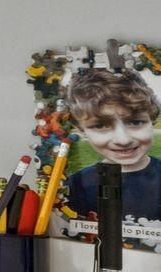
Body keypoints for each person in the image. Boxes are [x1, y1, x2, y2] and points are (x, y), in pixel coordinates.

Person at [61, 65, 161, 227]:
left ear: (152, 121)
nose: (123, 140)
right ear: (81, 130)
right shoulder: (72, 188)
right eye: (100, 126)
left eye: (136, 122)